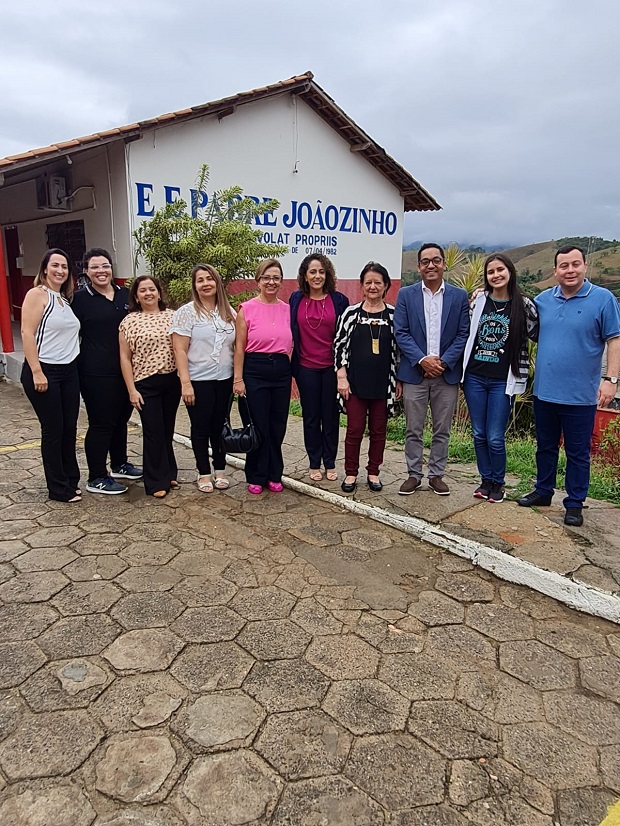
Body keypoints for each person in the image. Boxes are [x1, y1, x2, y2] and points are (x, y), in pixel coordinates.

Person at [518, 244, 620, 526]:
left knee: (577, 452)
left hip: (581, 395)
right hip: (545, 391)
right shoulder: (542, 300)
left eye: (575, 264)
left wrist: (611, 380)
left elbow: (615, 340)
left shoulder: (602, 299)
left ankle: (574, 502)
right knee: (545, 446)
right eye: (564, 266)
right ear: (555, 271)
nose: (570, 270)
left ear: (585, 266)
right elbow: (518, 313)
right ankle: (543, 490)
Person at [394, 243, 470, 496]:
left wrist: (443, 362)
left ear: (443, 264)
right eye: (425, 261)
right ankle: (414, 475)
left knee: (442, 429)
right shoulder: (406, 294)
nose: (431, 265)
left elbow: (463, 334)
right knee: (413, 429)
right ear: (418, 267)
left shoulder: (458, 296)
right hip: (415, 374)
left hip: (445, 375)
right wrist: (422, 360)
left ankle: (436, 475)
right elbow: (401, 333)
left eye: (435, 260)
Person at [462, 254, 539, 503]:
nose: (495, 275)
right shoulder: (479, 300)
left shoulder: (523, 304)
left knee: (495, 435)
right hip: (475, 376)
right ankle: (485, 480)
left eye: (500, 269)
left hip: (502, 380)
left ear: (510, 271)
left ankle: (498, 482)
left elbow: (538, 334)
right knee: (478, 433)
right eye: (490, 271)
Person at [72, 248, 142, 495]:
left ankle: (119, 464)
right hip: (95, 372)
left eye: (105, 266)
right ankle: (97, 476)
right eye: (95, 267)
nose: (101, 271)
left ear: (112, 268)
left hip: (126, 371)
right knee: (102, 423)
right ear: (87, 271)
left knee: (121, 419)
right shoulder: (79, 299)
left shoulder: (126, 295)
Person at [334, 262, 402, 493]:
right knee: (354, 430)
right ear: (362, 286)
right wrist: (341, 376)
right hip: (354, 384)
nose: (373, 287)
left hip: (383, 385)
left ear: (385, 286)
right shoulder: (351, 313)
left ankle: (374, 472)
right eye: (368, 282)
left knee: (378, 431)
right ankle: (351, 473)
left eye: (378, 283)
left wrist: (398, 380)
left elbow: (400, 350)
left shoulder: (394, 315)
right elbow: (339, 346)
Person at [20, 249, 81, 502]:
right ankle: (57, 488)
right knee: (53, 429)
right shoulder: (37, 294)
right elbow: (26, 332)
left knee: (69, 428)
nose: (60, 270)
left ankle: (70, 479)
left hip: (69, 370)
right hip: (44, 371)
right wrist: (37, 371)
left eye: (64, 266)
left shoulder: (64, 299)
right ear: (45, 269)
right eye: (55, 265)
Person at [171, 264, 236, 493]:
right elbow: (179, 350)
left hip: (224, 380)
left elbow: (236, 347)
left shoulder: (229, 312)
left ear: (217, 283)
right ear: (195, 285)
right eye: (200, 280)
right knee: (200, 427)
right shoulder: (186, 312)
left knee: (219, 426)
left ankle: (220, 470)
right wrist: (185, 383)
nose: (206, 283)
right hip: (198, 380)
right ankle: (203, 472)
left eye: (210, 279)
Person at [233, 259, 292, 494]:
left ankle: (274, 474)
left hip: (281, 371)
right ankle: (256, 475)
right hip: (254, 369)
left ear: (281, 281)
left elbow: (292, 343)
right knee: (258, 426)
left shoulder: (288, 309)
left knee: (277, 426)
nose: (271, 282)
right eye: (266, 277)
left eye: (276, 277)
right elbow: (238, 347)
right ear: (258, 280)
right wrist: (238, 379)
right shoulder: (246, 309)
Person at [119, 276, 181, 498]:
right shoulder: (129, 321)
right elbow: (125, 358)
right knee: (153, 431)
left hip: (171, 381)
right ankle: (155, 482)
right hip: (145, 383)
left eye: (152, 289)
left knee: (167, 430)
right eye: (142, 290)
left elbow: (181, 349)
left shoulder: (173, 316)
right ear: (136, 296)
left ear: (159, 292)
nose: (148, 293)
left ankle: (169, 472)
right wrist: (131, 390)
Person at [289, 254, 349, 482]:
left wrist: (343, 369)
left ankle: (330, 461)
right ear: (305, 275)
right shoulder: (296, 299)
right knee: (311, 417)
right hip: (305, 368)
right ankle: (314, 462)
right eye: (312, 272)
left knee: (331, 416)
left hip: (332, 369)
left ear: (328, 275)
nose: (317, 276)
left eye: (321, 272)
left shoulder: (339, 300)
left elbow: (345, 337)